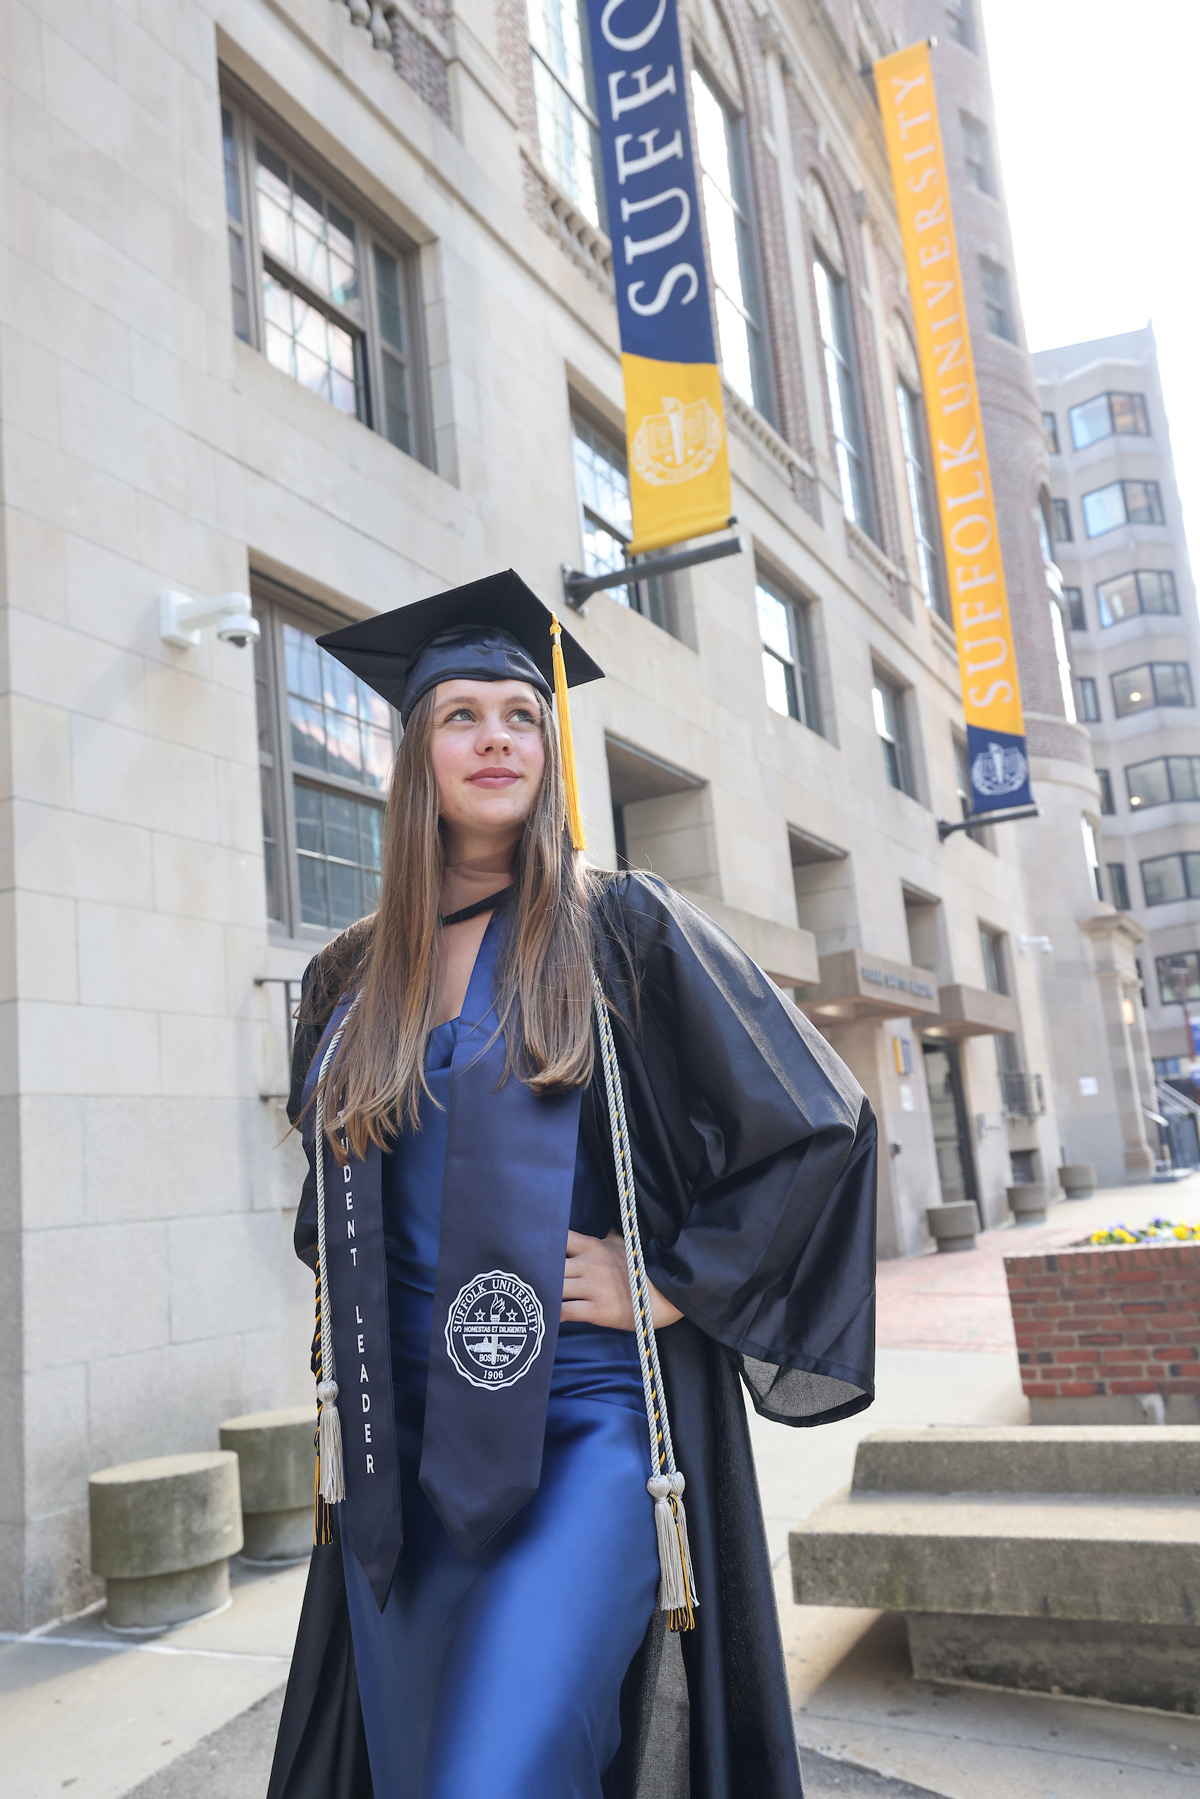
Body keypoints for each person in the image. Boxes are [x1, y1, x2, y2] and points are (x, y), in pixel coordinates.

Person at [267, 570, 877, 1799]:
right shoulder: (347, 979)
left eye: (520, 714)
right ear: (414, 752)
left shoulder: (621, 932)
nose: (495, 736)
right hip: (400, 1454)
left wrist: (672, 1284)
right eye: (462, 715)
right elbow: (331, 1212)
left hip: (584, 1425)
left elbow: (824, 1123)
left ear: (550, 749)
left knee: (491, 1773)